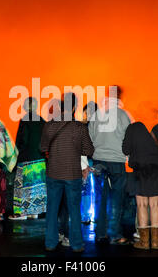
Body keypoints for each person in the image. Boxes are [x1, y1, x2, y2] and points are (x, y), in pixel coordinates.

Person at [41, 93, 94, 253]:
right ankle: (77, 244)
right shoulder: (79, 127)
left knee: (52, 209)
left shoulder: (49, 125)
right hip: (72, 174)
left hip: (54, 173)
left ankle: (50, 243)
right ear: (74, 108)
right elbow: (89, 150)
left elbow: (42, 148)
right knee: (74, 210)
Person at [88, 85, 132, 245]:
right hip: (117, 162)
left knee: (100, 198)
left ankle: (100, 233)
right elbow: (129, 140)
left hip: (99, 160)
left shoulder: (97, 115)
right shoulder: (124, 115)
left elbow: (90, 138)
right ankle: (115, 234)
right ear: (120, 96)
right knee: (117, 199)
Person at [123, 122, 158, 249]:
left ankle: (144, 242)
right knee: (155, 205)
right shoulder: (155, 136)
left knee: (141, 205)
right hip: (157, 169)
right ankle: (155, 242)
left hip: (140, 171)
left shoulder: (132, 130)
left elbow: (125, 150)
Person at [9, 97, 47, 220]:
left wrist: (17, 153)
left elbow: (22, 140)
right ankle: (34, 212)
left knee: (23, 186)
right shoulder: (42, 120)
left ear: (25, 107)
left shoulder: (25, 120)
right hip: (39, 159)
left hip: (26, 159)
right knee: (37, 188)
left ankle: (22, 213)